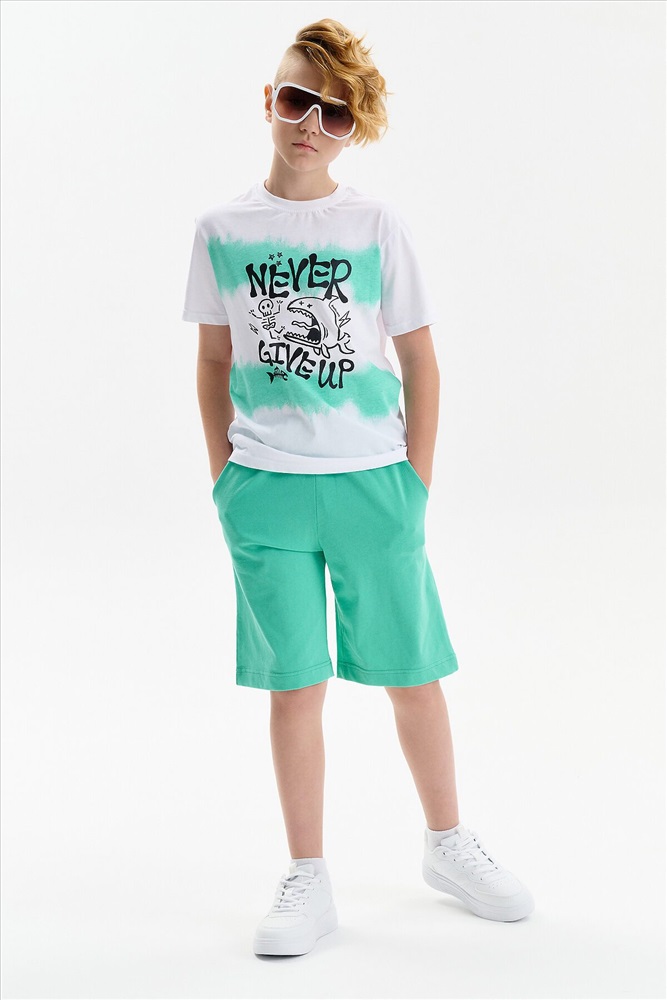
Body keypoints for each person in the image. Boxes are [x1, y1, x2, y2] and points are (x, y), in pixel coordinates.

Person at [182, 17, 534, 958]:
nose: (311, 124)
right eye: (298, 100)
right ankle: (309, 873)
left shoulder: (377, 226)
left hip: (374, 484)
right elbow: (212, 360)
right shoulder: (221, 231)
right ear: (269, 100)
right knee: (293, 685)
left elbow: (419, 359)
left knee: (411, 673)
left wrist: (414, 485)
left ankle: (447, 842)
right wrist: (225, 479)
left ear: (352, 129)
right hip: (265, 489)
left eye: (334, 114)